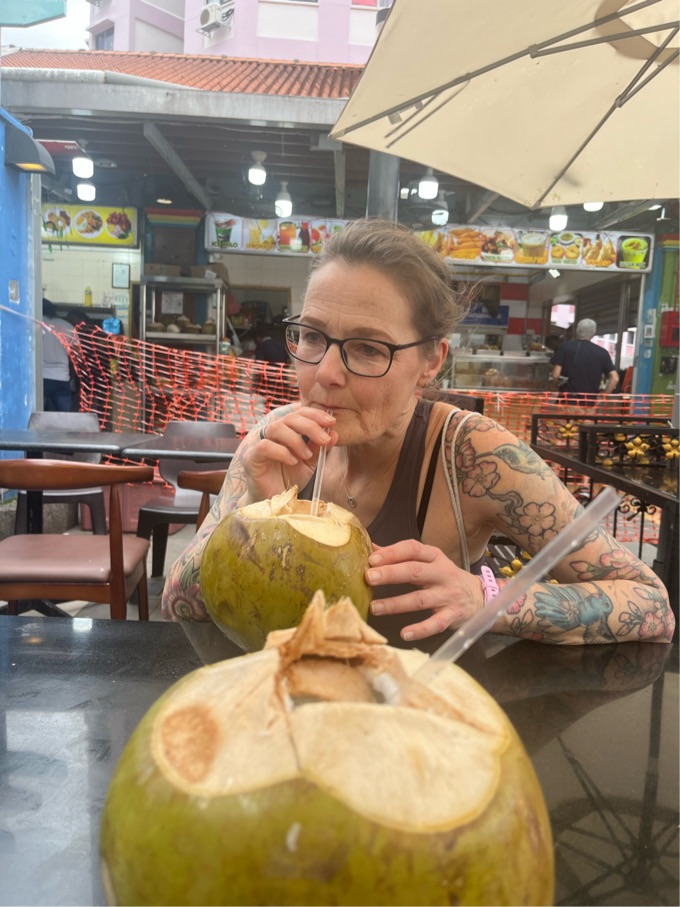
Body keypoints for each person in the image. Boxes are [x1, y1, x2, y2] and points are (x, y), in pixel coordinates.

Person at [162, 219, 673, 648]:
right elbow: (178, 601)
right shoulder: (273, 440)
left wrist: (487, 597)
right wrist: (255, 512)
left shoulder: (474, 456)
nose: (325, 373)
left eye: (368, 348)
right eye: (313, 336)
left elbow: (652, 604)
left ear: (431, 361)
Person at [550, 318, 619, 405]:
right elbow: (614, 378)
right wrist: (603, 396)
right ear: (593, 333)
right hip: (589, 404)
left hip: (566, 402)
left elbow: (556, 374)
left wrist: (555, 386)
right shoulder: (602, 353)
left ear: (577, 331)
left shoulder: (565, 347)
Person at [41, 298, 75, 411]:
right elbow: (77, 355)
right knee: (64, 415)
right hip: (61, 377)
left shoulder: (36, 324)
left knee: (39, 414)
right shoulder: (67, 326)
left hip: (40, 377)